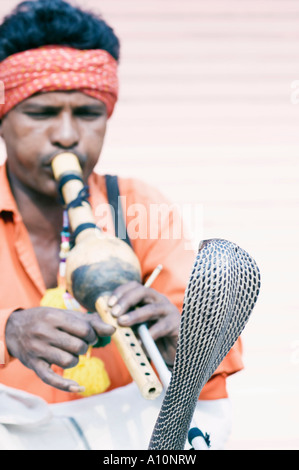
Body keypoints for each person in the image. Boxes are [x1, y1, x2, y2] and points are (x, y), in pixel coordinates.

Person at [0, 0, 243, 449]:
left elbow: (213, 347)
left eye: (88, 114)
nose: (68, 135)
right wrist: (7, 331)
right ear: (4, 117)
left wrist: (183, 340)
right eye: (42, 113)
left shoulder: (135, 205)